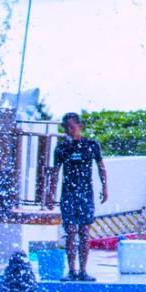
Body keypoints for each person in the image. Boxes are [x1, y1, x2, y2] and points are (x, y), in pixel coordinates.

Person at [45, 113, 109, 281]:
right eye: (66, 128)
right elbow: (55, 172)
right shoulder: (62, 147)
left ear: (80, 126)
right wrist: (51, 194)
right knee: (71, 232)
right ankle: (72, 270)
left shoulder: (91, 145)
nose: (68, 131)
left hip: (86, 194)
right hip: (68, 194)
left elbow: (101, 167)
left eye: (72, 127)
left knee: (84, 232)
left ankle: (83, 271)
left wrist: (105, 187)